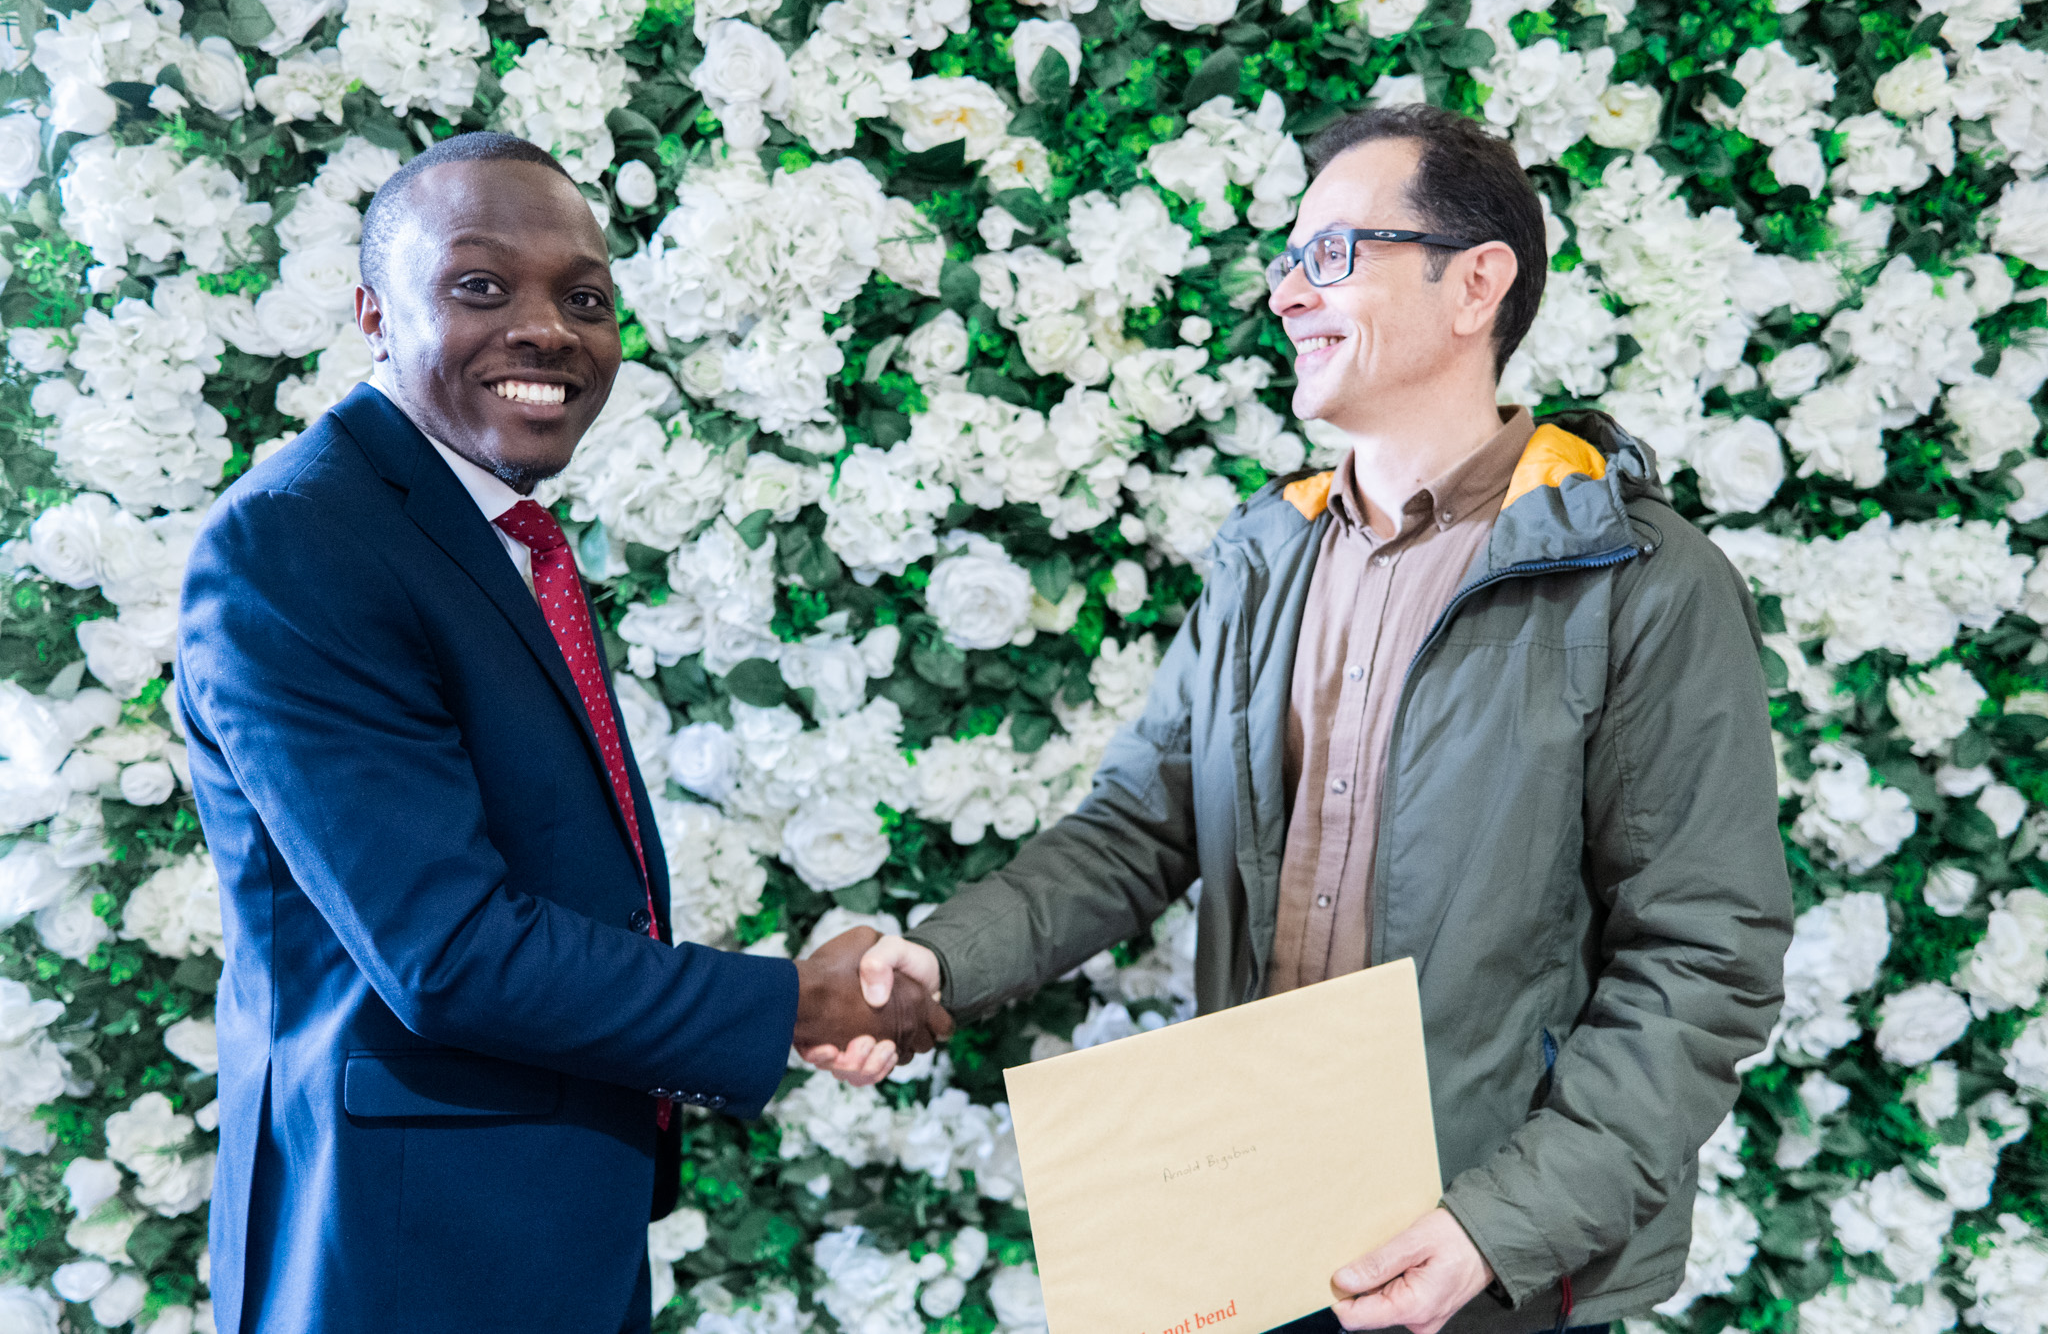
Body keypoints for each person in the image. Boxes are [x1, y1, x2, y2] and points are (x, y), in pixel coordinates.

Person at [826, 104, 1794, 1334]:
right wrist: (939, 964)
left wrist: (1495, 1227)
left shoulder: (1636, 579)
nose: (1286, 294)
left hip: (1486, 1261)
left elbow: (1701, 957)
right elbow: (1137, 828)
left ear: (1475, 284)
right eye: (1286, 261)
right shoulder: (1264, 553)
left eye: (1331, 254)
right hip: (1261, 1228)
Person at [175, 133, 947, 1334]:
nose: (546, 329)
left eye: (585, 299)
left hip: (541, 1214)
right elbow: (447, 950)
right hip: (400, 1247)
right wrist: (791, 1004)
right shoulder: (300, 540)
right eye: (481, 286)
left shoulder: (484, 527)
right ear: (375, 312)